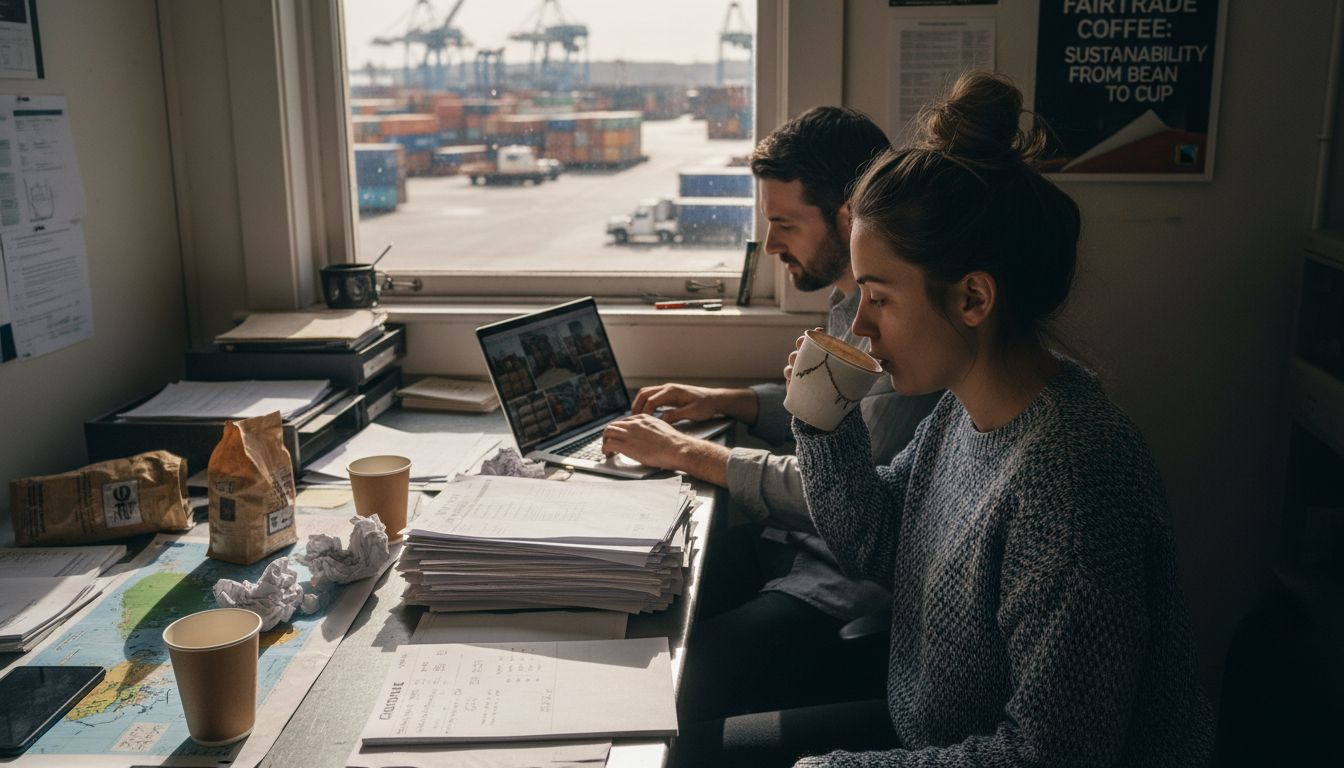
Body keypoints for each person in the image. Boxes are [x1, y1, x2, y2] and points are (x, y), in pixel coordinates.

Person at [672, 71, 1214, 767]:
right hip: (932, 735)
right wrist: (822, 419)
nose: (859, 327)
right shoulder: (968, 410)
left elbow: (1053, 756)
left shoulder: (1074, 484)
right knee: (688, 748)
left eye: (879, 299)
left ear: (973, 300)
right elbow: (881, 536)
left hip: (979, 751)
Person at [601, 107, 941, 719]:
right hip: (789, 549)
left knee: (674, 679)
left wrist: (688, 452)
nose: (771, 244)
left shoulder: (898, 330)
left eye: (784, 223)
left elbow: (844, 493)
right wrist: (732, 402)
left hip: (840, 587)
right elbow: (838, 422)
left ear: (847, 216)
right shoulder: (851, 304)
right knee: (628, 592)